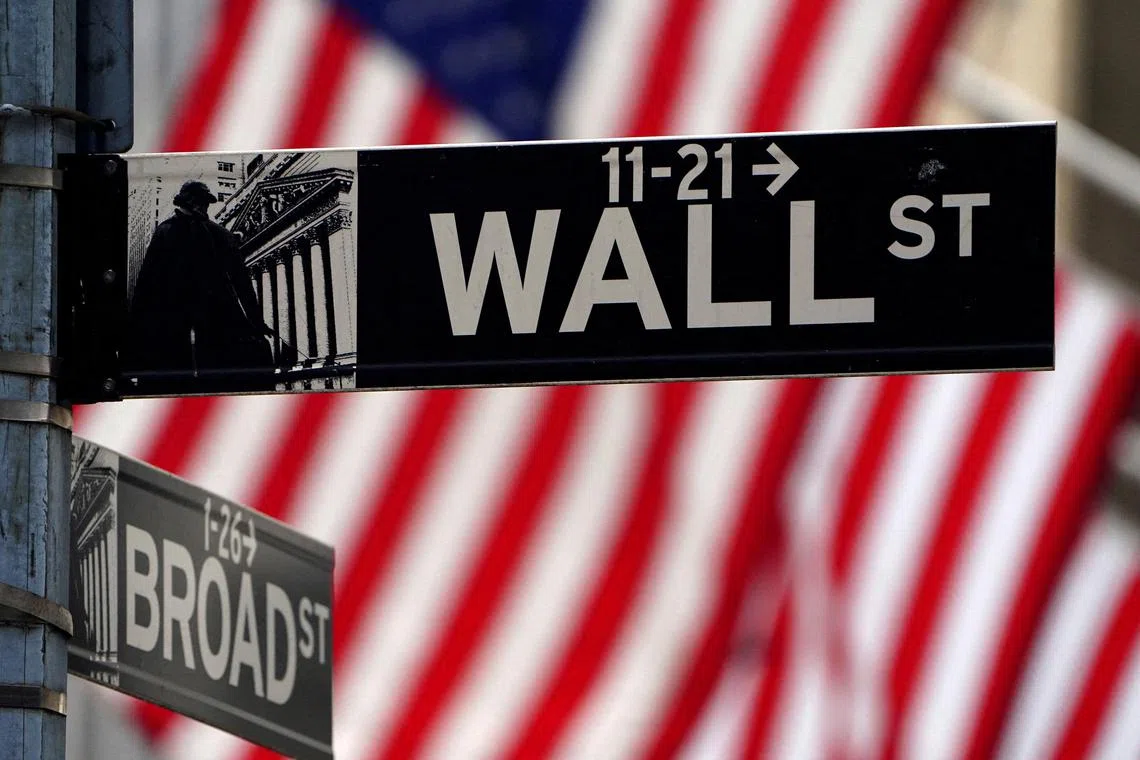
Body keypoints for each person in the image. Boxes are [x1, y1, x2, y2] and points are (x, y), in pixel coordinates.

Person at [123, 180, 275, 392]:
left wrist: (257, 321)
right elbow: (146, 286)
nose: (205, 208)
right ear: (191, 202)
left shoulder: (204, 233)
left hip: (200, 323)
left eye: (207, 203)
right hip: (187, 322)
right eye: (202, 203)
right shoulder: (172, 232)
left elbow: (242, 282)